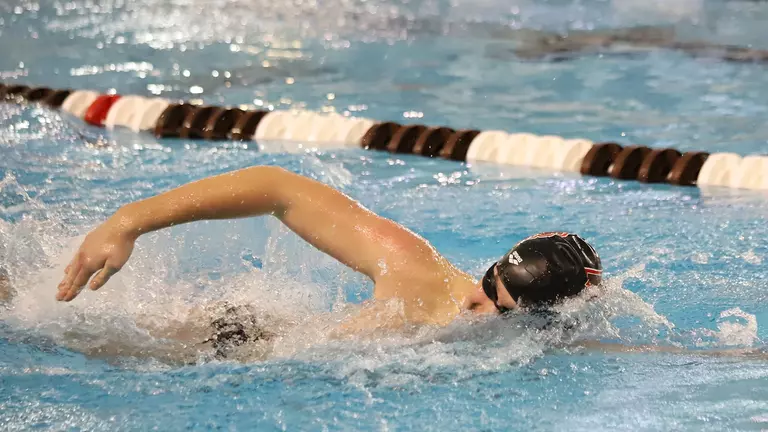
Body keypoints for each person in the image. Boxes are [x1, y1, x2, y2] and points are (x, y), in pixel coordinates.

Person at [55, 165, 601, 325]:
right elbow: (279, 189)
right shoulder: (415, 269)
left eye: (498, 312)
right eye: (485, 286)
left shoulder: (544, 342)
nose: (473, 305)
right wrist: (128, 221)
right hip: (227, 340)